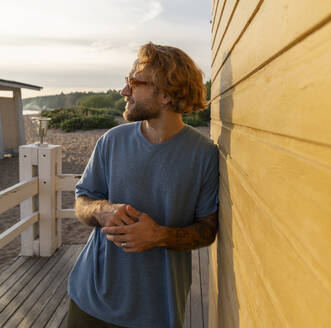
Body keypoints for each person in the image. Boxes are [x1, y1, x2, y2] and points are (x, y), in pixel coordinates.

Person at [66, 42, 219, 328]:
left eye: (133, 83)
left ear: (165, 94)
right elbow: (81, 202)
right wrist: (102, 210)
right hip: (90, 300)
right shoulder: (111, 141)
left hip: (158, 310)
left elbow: (208, 230)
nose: (124, 91)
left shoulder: (204, 155)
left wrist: (159, 235)